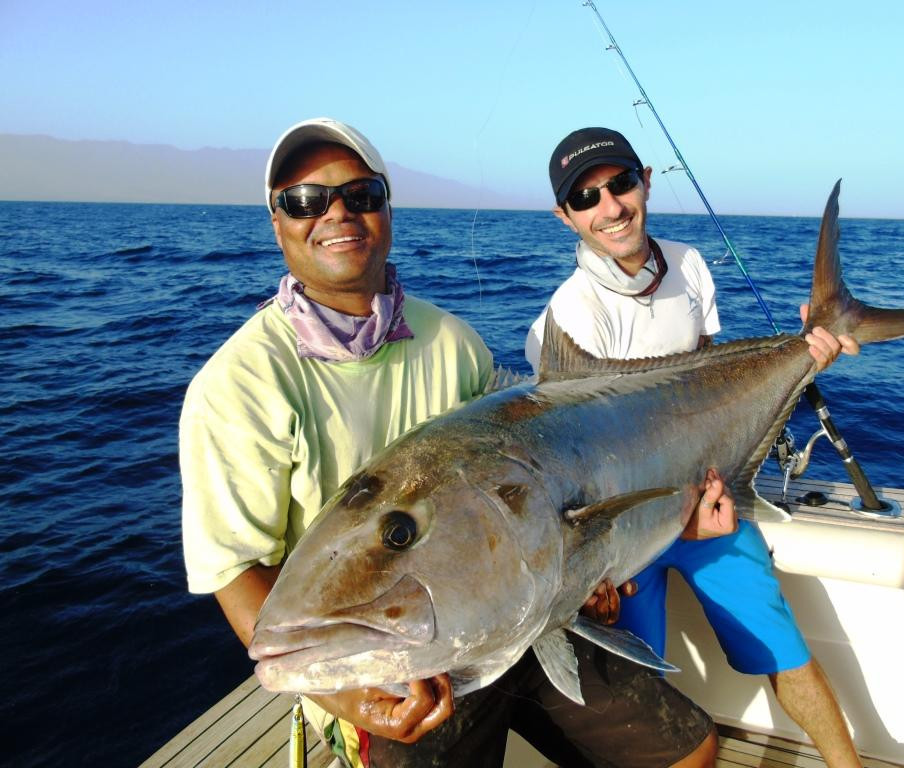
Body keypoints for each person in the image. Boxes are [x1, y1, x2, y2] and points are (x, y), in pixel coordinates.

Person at [181, 117, 719, 768]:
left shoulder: (452, 340)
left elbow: (527, 475)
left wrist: (580, 572)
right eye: (304, 201)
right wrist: (352, 696)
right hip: (393, 664)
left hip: (515, 617)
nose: (336, 213)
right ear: (277, 222)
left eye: (361, 194)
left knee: (689, 751)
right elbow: (235, 567)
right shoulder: (239, 385)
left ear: (386, 208)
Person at [526, 127, 864, 768]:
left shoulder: (689, 264)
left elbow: (710, 380)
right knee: (637, 687)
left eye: (620, 183)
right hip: (624, 528)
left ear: (646, 180)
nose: (611, 207)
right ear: (564, 216)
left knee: (783, 648)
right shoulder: (567, 315)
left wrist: (803, 356)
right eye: (586, 196)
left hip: (710, 500)